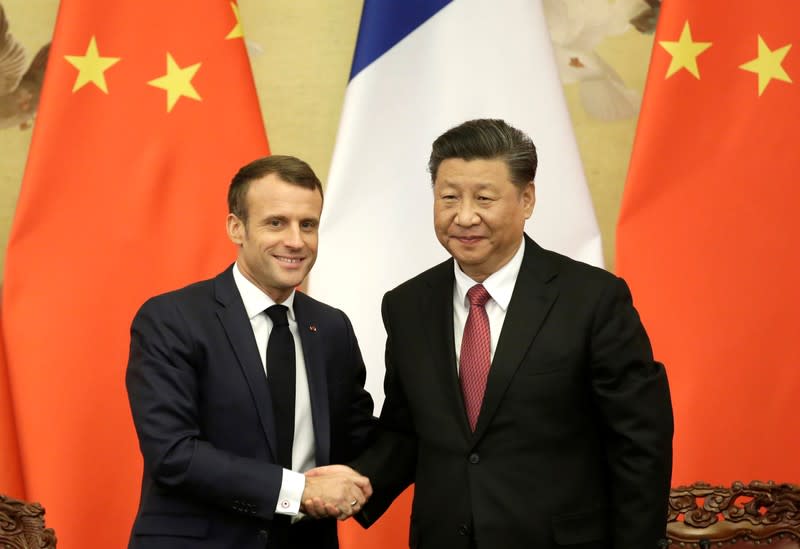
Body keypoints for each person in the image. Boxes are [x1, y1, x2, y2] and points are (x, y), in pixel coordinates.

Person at [310, 119, 673, 548]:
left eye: (484, 198)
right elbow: (407, 431)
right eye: (449, 198)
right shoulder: (408, 305)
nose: (464, 216)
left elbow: (640, 443)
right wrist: (356, 482)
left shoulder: (592, 300)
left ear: (527, 199)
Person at [125, 155, 376, 549]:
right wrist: (298, 491)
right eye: (276, 222)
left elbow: (359, 438)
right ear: (236, 228)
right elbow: (173, 453)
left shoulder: (331, 328)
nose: (296, 241)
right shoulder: (172, 318)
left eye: (307, 224)